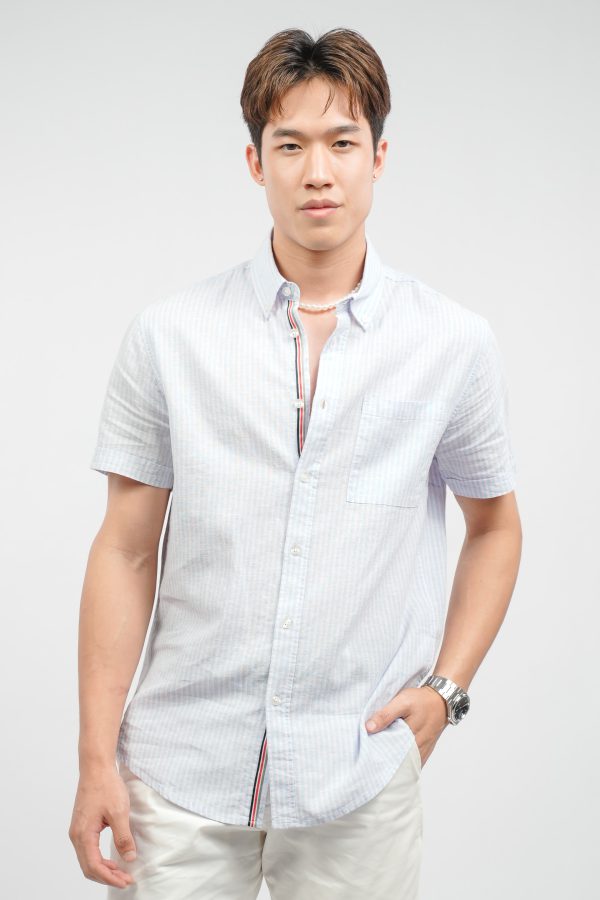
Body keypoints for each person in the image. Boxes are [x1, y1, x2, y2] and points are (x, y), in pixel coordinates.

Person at [68, 26, 522, 900]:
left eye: (342, 143)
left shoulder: (452, 344)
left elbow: (496, 526)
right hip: (180, 771)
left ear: (378, 157)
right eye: (291, 145)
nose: (319, 172)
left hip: (358, 773)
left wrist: (447, 689)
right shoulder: (171, 336)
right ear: (255, 162)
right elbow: (124, 548)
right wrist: (95, 760)